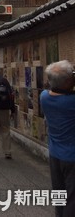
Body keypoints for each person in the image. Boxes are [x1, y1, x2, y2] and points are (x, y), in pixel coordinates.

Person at [40, 60, 75, 217]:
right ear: (69, 81)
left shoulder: (44, 97)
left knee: (59, 195)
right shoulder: (71, 101)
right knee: (72, 199)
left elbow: (55, 87)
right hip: (72, 157)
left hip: (55, 154)